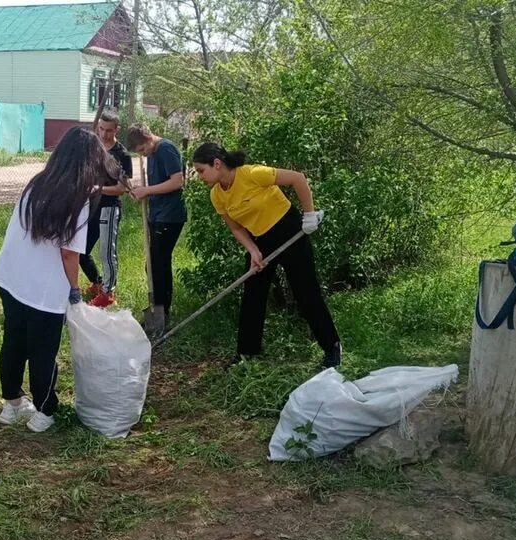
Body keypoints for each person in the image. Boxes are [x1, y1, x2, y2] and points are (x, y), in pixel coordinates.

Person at [0, 126, 118, 433]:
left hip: (10, 277)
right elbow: (69, 255)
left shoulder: (36, 183)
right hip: (41, 288)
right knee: (43, 350)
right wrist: (75, 291)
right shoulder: (78, 198)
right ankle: (44, 411)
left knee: (14, 340)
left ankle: (12, 404)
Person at [190, 142, 342, 368]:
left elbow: (298, 179)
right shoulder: (217, 195)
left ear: (217, 164)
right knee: (253, 294)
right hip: (260, 241)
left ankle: (332, 349)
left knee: (306, 293)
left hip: (289, 231)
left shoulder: (252, 174)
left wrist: (309, 215)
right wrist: (252, 251)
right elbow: (236, 228)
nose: (200, 176)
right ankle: (246, 354)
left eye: (201, 170)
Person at [124, 124, 187, 321]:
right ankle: (159, 310)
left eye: (143, 149)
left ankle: (161, 313)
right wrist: (141, 190)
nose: (142, 154)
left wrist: (148, 191)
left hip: (170, 216)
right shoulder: (151, 154)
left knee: (157, 264)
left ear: (149, 138)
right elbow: (158, 184)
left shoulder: (166, 149)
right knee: (155, 264)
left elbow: (177, 181)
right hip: (157, 215)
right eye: (139, 152)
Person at [80, 111, 133, 308]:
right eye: (101, 129)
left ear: (117, 129)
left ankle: (108, 293)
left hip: (109, 208)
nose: (104, 134)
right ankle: (97, 283)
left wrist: (97, 189)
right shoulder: (93, 147)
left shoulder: (122, 154)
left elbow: (123, 188)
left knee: (106, 253)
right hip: (90, 207)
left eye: (109, 130)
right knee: (81, 250)